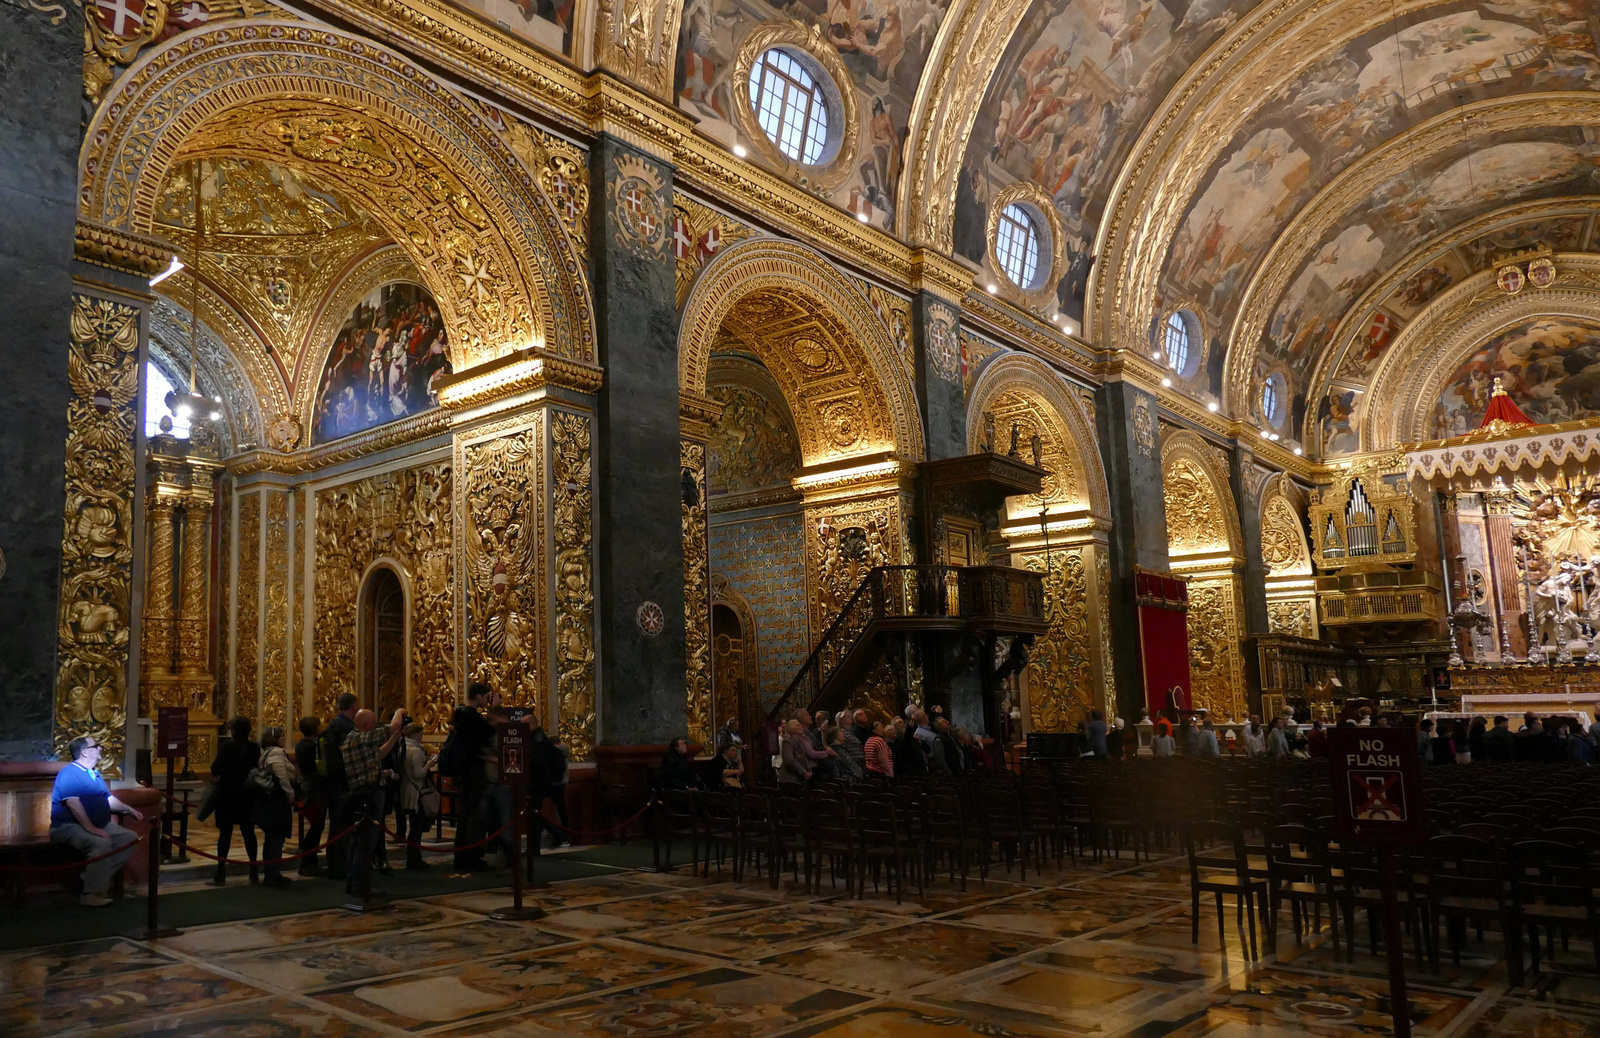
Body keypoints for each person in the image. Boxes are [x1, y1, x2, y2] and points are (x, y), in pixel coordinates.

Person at [49, 736, 142, 906]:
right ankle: (90, 894)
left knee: (129, 838)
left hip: (97, 824)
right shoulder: (70, 773)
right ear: (85, 752)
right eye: (96, 746)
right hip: (67, 826)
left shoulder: (94, 774)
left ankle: (90, 879)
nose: (100, 749)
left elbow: (108, 799)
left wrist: (129, 809)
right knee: (100, 843)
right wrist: (92, 829)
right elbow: (73, 803)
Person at [338, 708, 407, 897]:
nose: (376, 725)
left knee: (359, 840)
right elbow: (389, 727)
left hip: (364, 792)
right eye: (374, 722)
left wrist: (394, 738)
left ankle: (354, 881)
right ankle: (361, 884)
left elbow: (378, 755)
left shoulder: (356, 740)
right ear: (366, 725)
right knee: (366, 841)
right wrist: (399, 712)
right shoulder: (361, 738)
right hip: (368, 794)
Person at [449, 683, 498, 870]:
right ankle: (471, 857)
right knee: (474, 816)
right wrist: (493, 710)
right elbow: (487, 734)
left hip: (464, 771)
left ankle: (462, 856)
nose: (487, 700)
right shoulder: (472, 716)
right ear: (479, 696)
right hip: (474, 772)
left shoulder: (460, 713)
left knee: (466, 815)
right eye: (487, 697)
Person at [211, 716, 260, 886]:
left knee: (225, 834)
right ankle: (253, 871)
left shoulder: (228, 746)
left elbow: (214, 767)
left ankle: (221, 871)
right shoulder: (254, 747)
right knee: (249, 833)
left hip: (228, 794)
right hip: (247, 794)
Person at [319, 693, 359, 880]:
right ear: (353, 708)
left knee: (336, 826)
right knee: (344, 827)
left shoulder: (332, 725)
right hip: (344, 783)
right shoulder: (347, 728)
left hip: (331, 783)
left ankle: (335, 865)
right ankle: (341, 867)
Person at [253, 726, 298, 887]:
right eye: (281, 737)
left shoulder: (265, 752)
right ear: (274, 739)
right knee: (276, 838)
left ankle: (270, 872)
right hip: (276, 801)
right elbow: (282, 775)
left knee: (271, 838)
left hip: (268, 801)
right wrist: (290, 793)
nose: (283, 739)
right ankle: (273, 874)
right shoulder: (276, 753)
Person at [396, 723, 432, 869]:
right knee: (417, 827)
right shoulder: (415, 751)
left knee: (414, 826)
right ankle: (414, 859)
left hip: (406, 789)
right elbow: (418, 774)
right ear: (416, 734)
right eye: (421, 734)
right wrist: (429, 764)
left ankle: (413, 858)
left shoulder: (402, 748)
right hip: (416, 791)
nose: (422, 737)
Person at [293, 717, 325, 876]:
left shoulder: (302, 744)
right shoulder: (311, 746)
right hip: (313, 788)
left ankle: (310, 861)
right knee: (316, 826)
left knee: (316, 826)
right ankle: (308, 862)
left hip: (309, 785)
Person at [778, 720, 813, 785]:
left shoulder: (798, 741)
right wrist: (804, 772)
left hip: (799, 779)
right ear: (792, 729)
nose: (801, 727)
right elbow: (789, 760)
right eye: (798, 725)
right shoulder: (787, 741)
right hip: (790, 779)